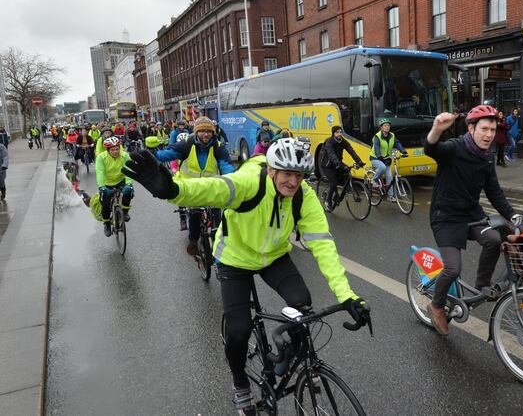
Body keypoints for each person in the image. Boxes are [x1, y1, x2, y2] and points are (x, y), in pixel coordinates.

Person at [121, 137, 371, 416]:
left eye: (299, 176)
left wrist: (347, 296)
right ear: (272, 170)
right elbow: (212, 188)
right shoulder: (249, 183)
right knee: (238, 331)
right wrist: (171, 189)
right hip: (235, 260)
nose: (293, 182)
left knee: (302, 305)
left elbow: (323, 246)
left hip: (273, 257)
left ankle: (283, 359)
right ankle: (240, 384)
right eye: (287, 174)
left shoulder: (304, 196)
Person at [424, 105, 518, 336]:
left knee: (494, 240)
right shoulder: (455, 148)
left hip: (471, 215)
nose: (489, 135)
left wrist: (514, 215)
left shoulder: (486, 158)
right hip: (445, 217)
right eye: (484, 129)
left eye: (493, 129)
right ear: (471, 128)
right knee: (453, 268)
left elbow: (494, 192)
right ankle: (436, 304)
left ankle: (480, 287)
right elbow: (431, 149)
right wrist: (436, 129)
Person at [155, 116, 235, 255]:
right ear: (196, 132)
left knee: (217, 215)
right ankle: (193, 241)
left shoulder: (218, 147)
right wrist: (151, 154)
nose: (206, 134)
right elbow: (165, 154)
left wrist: (233, 182)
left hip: (212, 188)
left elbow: (227, 167)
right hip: (192, 188)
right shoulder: (186, 144)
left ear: (213, 132)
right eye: (202, 131)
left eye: (209, 131)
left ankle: (218, 245)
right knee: (194, 213)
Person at [95, 137, 134, 237]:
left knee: (128, 192)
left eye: (117, 149)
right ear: (108, 150)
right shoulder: (101, 157)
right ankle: (107, 224)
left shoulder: (125, 155)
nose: (115, 151)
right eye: (112, 150)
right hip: (107, 182)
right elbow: (100, 173)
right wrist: (102, 187)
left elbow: (129, 170)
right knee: (106, 204)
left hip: (121, 180)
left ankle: (125, 212)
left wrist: (129, 184)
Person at [319, 126, 365, 210]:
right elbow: (331, 155)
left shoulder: (343, 141)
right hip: (327, 165)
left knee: (347, 175)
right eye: (337, 132)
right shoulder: (330, 142)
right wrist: (340, 165)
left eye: (340, 132)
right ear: (333, 133)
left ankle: (339, 196)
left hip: (338, 163)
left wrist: (359, 161)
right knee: (333, 182)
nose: (339, 134)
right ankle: (328, 201)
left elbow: (351, 151)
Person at [369, 118, 408, 201]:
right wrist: (379, 156)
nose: (387, 127)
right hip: (376, 158)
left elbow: (397, 143)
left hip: (386, 158)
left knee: (389, 177)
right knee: (382, 167)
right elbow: (376, 147)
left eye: (388, 125)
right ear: (381, 127)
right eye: (385, 125)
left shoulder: (392, 135)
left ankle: (390, 196)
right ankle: (374, 180)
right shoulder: (377, 136)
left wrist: (403, 150)